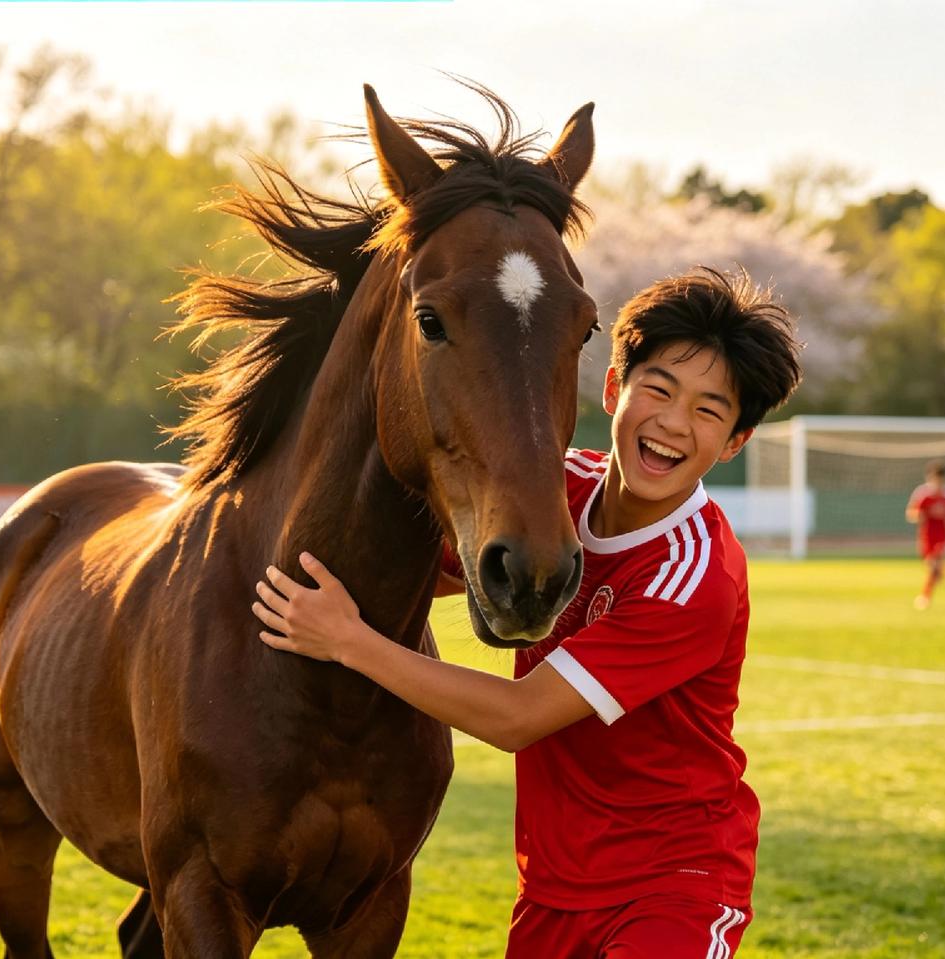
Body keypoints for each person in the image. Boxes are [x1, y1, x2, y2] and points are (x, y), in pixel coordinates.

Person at [252, 267, 802, 958]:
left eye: (708, 410)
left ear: (734, 442)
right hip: (553, 885)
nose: (671, 422)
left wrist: (347, 639)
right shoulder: (555, 492)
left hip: (674, 882)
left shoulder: (693, 572)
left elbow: (518, 716)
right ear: (612, 390)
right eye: (658, 389)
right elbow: (431, 571)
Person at [905, 461, 945, 610]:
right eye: (935, 479)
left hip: (942, 535)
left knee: (933, 565)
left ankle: (925, 597)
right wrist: (921, 515)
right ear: (930, 478)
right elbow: (911, 514)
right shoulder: (922, 493)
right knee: (931, 566)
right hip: (926, 535)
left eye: (941, 480)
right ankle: (940, 572)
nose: (938, 482)